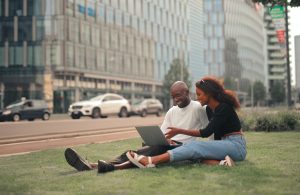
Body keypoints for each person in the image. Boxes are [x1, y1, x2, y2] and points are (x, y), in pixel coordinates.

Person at [64, 81, 209, 173]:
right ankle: (95, 165)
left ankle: (102, 166)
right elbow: (162, 133)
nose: (175, 99)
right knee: (136, 151)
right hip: (167, 146)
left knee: (149, 151)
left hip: (183, 149)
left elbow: (207, 132)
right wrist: (159, 139)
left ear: (187, 92)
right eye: (173, 96)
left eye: (178, 95)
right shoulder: (172, 111)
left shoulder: (198, 108)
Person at [126, 76, 247, 168]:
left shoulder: (224, 108)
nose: (198, 97)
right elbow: (214, 135)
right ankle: (223, 163)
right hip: (225, 145)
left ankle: (151, 161)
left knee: (195, 146)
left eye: (199, 94)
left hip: (236, 146)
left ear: (209, 94)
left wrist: (179, 131)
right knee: (192, 151)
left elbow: (206, 132)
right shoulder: (210, 109)